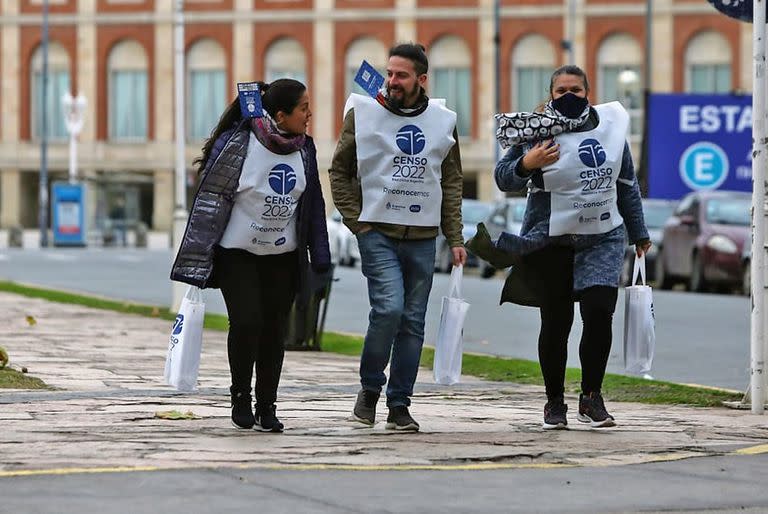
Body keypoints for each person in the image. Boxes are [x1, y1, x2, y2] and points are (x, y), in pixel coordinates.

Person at [486, 65, 650, 430]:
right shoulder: (534, 131)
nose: (568, 96)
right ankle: (554, 401)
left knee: (598, 311)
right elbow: (502, 177)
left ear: (588, 92)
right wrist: (528, 163)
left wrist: (639, 233)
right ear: (550, 95)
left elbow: (627, 184)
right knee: (557, 321)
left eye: (575, 89)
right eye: (560, 91)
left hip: (602, 237)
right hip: (551, 238)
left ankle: (591, 397)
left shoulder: (610, 130)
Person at [171, 79, 330, 432]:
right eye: (303, 108)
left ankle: (267, 405)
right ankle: (240, 396)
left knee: (275, 329)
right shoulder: (239, 143)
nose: (309, 115)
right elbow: (210, 197)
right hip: (237, 253)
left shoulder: (305, 149)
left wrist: (320, 256)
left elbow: (314, 204)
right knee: (246, 322)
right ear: (280, 115)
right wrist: (198, 254)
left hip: (282, 256)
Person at [329, 43, 467, 432]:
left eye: (401, 75)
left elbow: (452, 179)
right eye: (389, 73)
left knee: (412, 321)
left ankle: (399, 405)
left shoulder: (443, 120)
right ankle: (370, 388)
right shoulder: (363, 114)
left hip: (423, 237)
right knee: (388, 309)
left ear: (421, 80)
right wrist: (358, 223)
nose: (391, 81)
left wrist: (455, 236)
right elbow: (339, 171)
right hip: (378, 233)